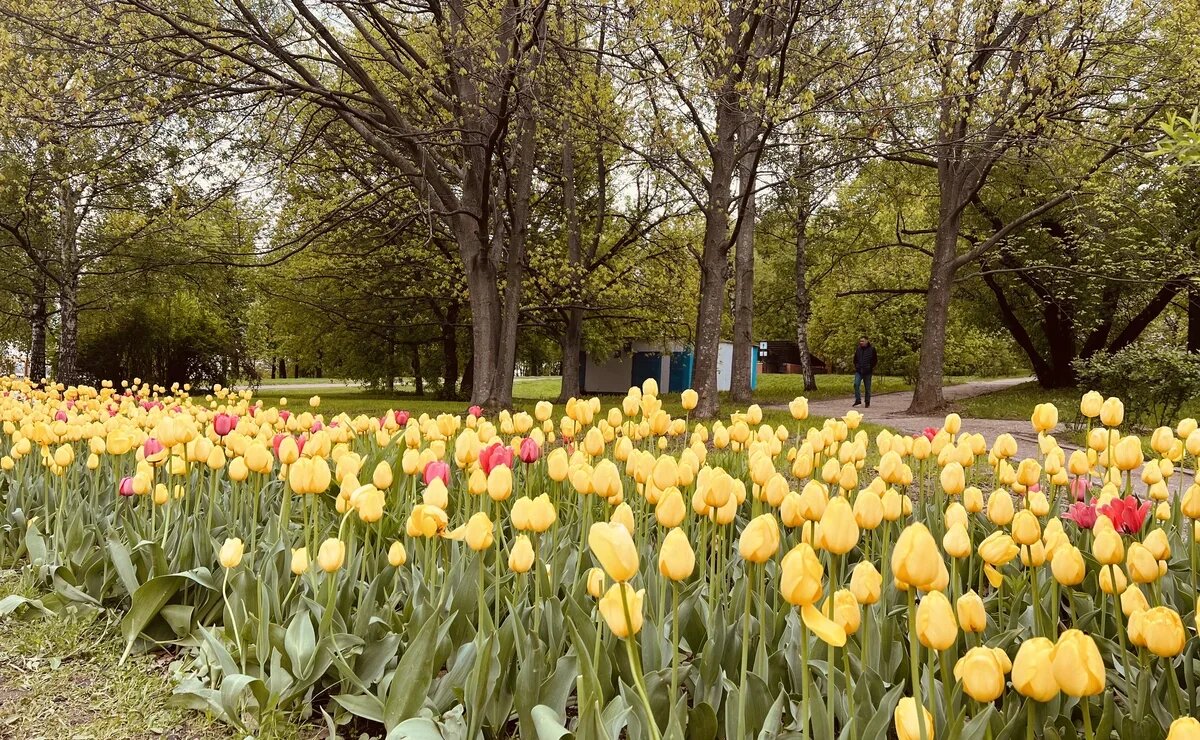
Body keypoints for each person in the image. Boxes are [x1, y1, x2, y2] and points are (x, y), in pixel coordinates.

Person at [852, 336, 877, 407]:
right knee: (856, 384)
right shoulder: (858, 349)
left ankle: (867, 401)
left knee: (867, 387)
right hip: (859, 370)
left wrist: (870, 367)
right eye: (860, 341)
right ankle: (858, 400)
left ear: (867, 341)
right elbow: (855, 359)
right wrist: (856, 366)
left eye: (862, 341)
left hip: (867, 371)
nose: (861, 343)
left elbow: (875, 360)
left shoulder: (872, 349)